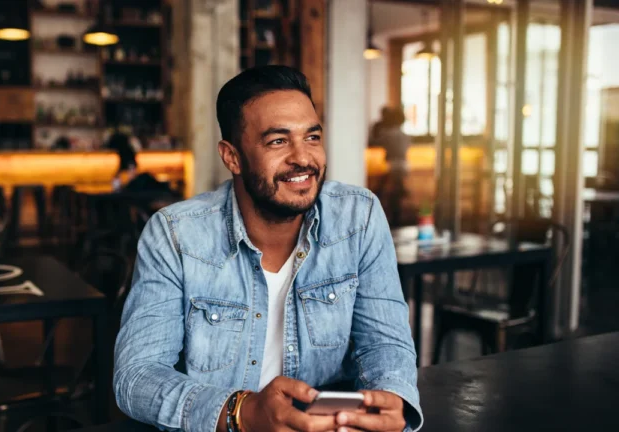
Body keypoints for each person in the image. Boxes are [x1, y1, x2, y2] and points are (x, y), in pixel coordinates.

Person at [114, 66, 422, 432]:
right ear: (232, 157)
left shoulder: (359, 216)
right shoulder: (175, 236)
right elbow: (137, 378)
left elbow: (385, 343)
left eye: (312, 137)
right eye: (278, 141)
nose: (303, 159)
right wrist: (241, 412)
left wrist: (389, 400)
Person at [371, 106, 411, 227]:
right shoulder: (406, 136)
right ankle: (396, 217)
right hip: (404, 166)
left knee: (383, 190)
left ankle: (381, 213)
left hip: (391, 166)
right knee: (395, 193)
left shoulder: (386, 134)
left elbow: (373, 143)